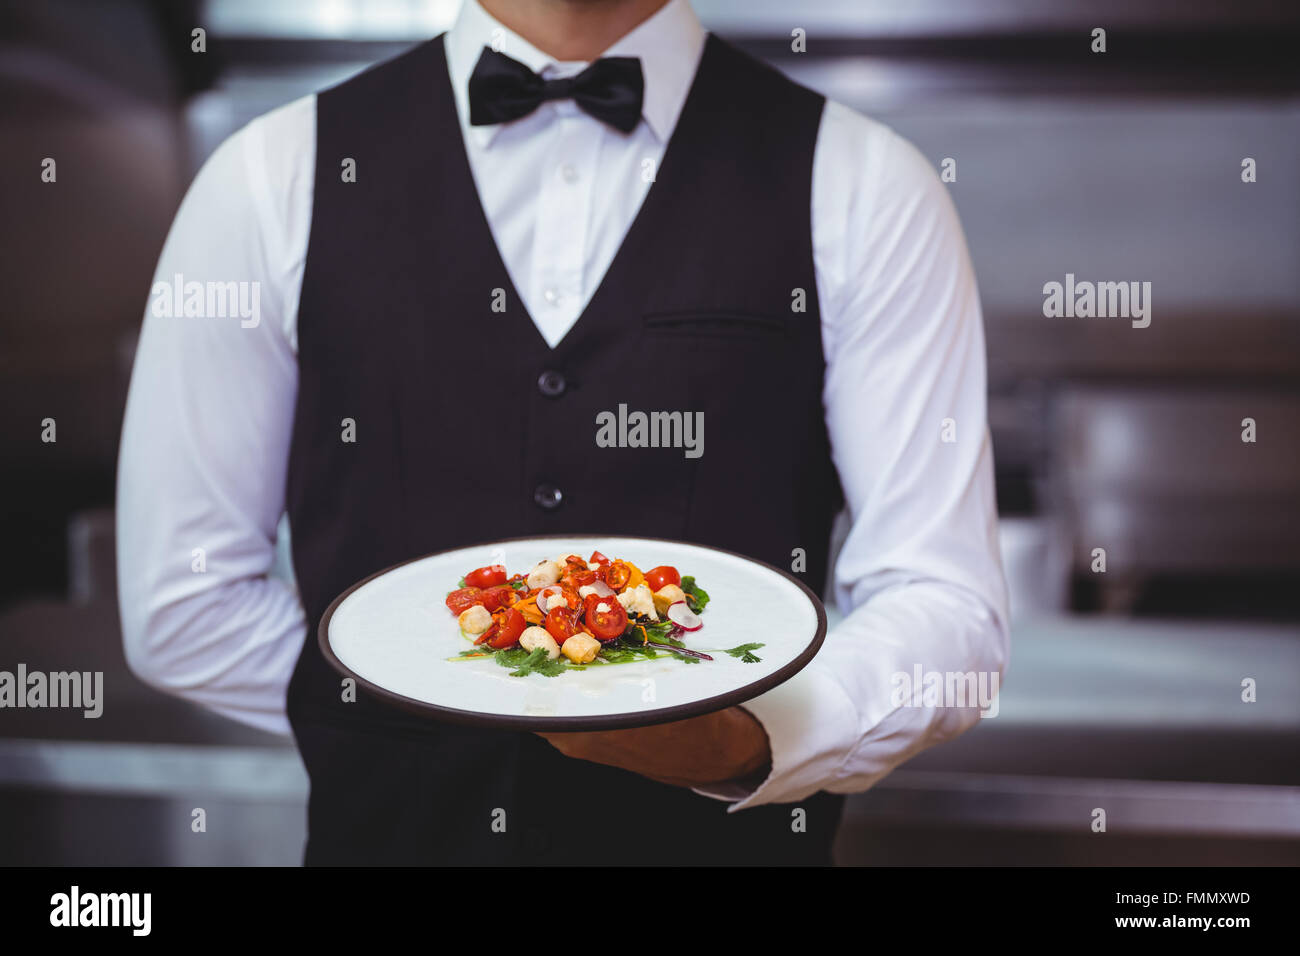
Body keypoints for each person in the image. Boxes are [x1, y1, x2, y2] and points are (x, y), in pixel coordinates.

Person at [117, 0, 1009, 865]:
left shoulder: (866, 183)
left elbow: (944, 600)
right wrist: (396, 704)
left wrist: (751, 738)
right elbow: (185, 604)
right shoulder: (267, 176)